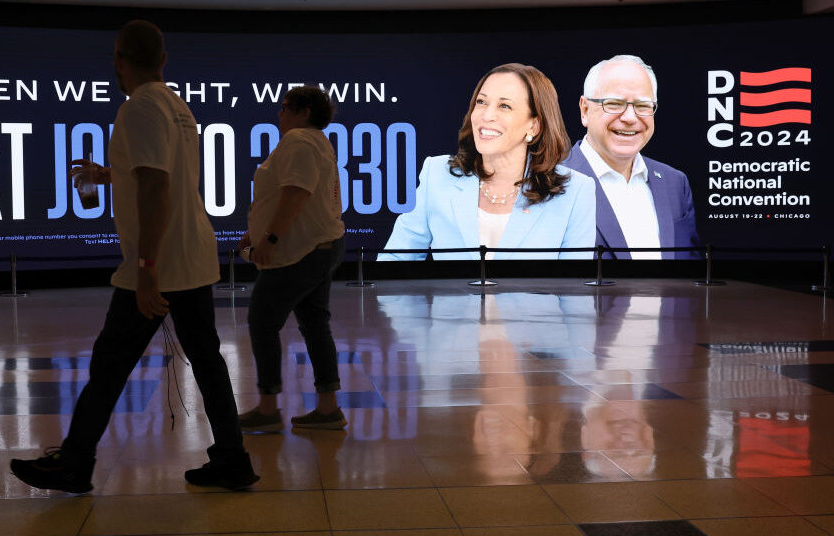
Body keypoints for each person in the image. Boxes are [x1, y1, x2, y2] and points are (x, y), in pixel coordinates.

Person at [10, 20, 258, 492]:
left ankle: (74, 463)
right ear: (164, 61)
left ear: (119, 59)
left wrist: (145, 270)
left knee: (109, 365)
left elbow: (157, 185)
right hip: (193, 255)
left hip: (159, 263)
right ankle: (232, 458)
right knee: (207, 361)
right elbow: (159, 173)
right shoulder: (175, 105)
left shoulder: (138, 107)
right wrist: (113, 173)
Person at [378, 63, 595, 261]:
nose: (486, 115)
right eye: (481, 102)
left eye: (504, 106)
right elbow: (392, 264)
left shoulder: (576, 191)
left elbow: (576, 292)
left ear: (534, 126)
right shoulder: (436, 175)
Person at [236, 86, 347, 433]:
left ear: (303, 111)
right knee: (315, 324)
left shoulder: (298, 140)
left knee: (262, 321)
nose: (279, 114)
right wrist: (255, 231)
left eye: (284, 107)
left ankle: (268, 408)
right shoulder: (315, 141)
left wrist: (269, 238)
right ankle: (328, 407)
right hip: (320, 245)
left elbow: (297, 193)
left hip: (299, 250)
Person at [562, 54, 700, 259]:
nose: (629, 118)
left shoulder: (675, 183)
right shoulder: (551, 184)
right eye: (614, 103)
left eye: (643, 105)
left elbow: (692, 277)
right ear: (584, 110)